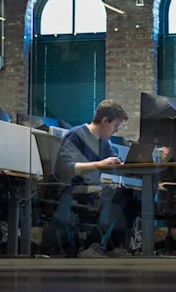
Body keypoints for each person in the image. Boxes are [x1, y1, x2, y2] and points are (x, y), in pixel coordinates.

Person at [53, 100, 137, 257]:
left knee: (131, 194)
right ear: (105, 121)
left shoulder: (104, 142)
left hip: (93, 187)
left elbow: (114, 163)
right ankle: (92, 245)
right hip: (73, 188)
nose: (116, 130)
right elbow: (65, 168)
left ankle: (115, 246)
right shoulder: (76, 135)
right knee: (113, 193)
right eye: (116, 125)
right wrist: (99, 164)